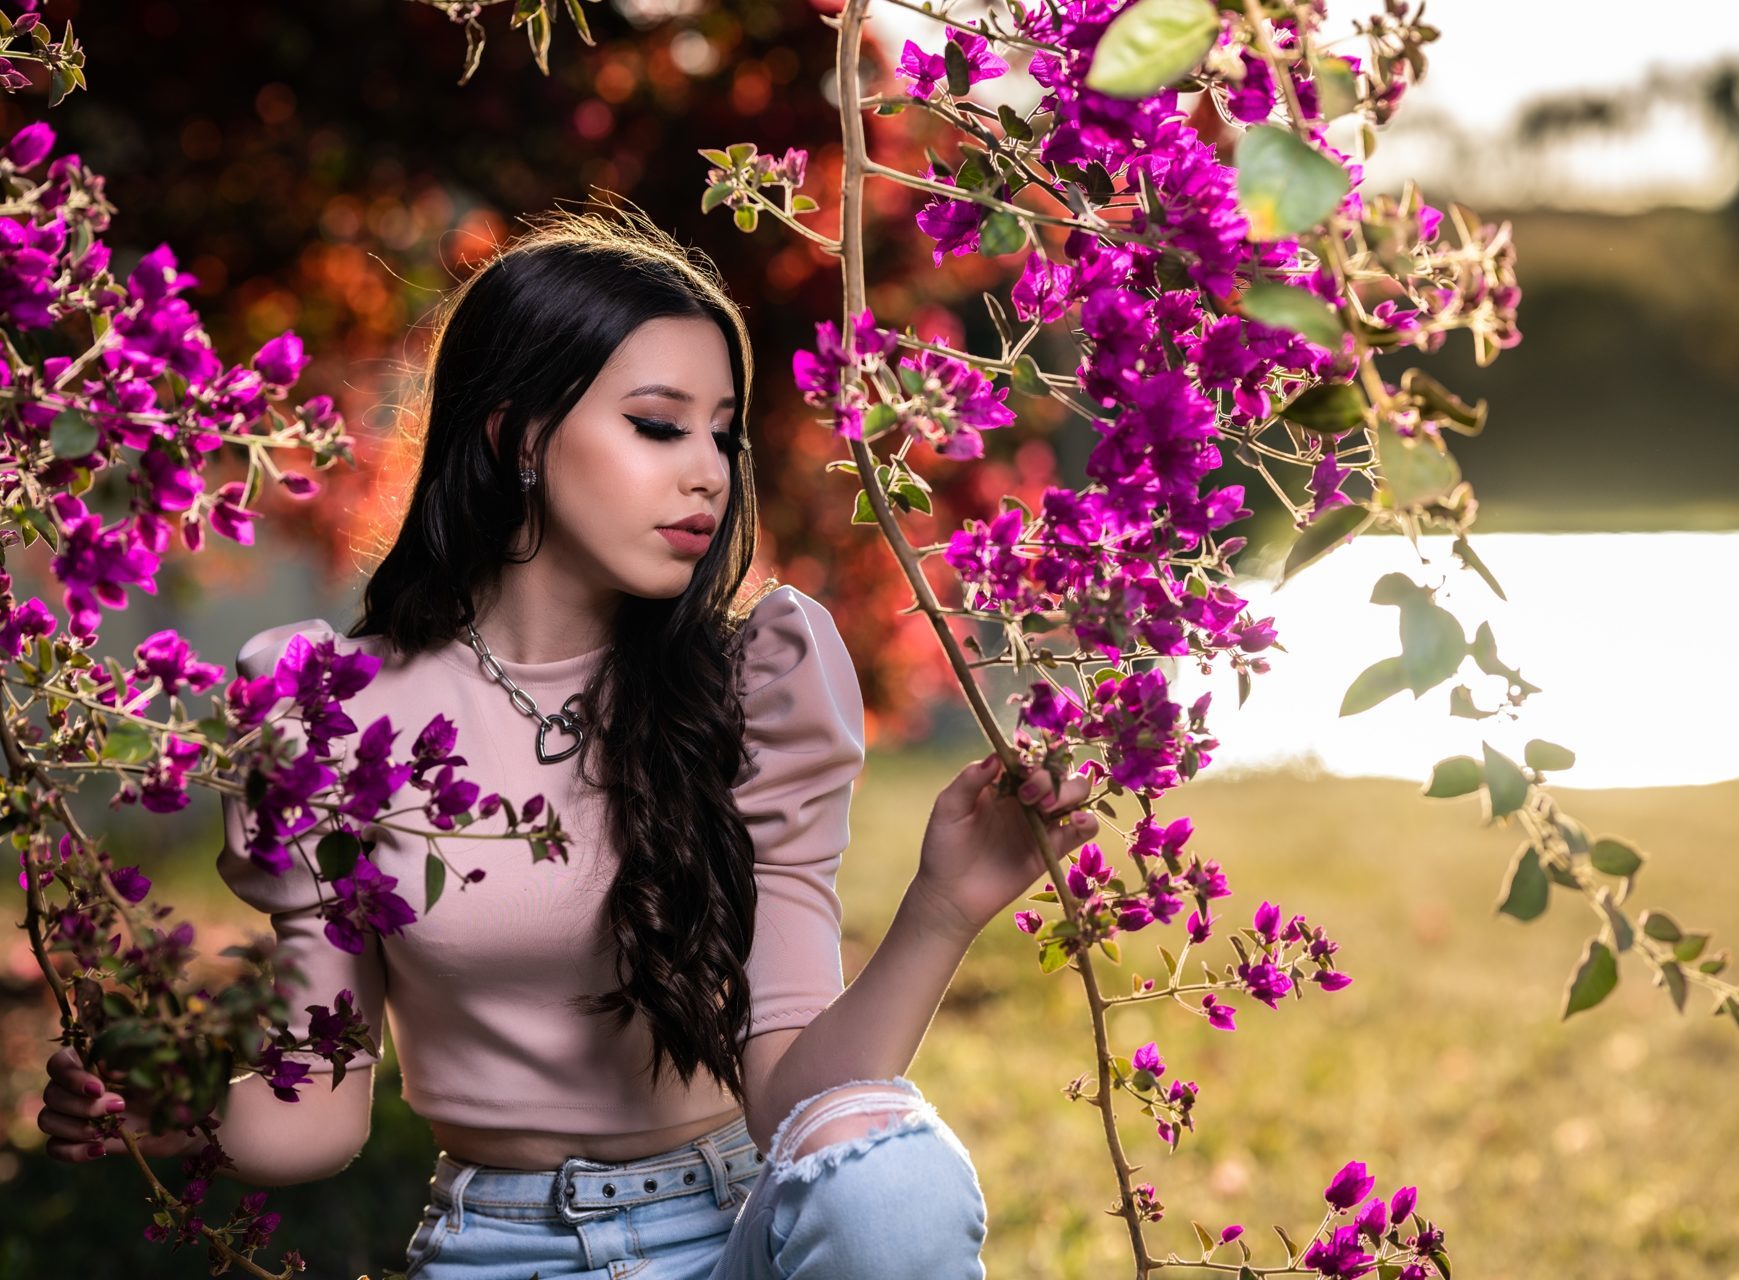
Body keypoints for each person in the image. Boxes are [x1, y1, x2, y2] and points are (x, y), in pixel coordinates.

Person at [37, 202, 1097, 1279]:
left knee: (893, 1175)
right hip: (496, 1249)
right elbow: (317, 1112)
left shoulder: (753, 684)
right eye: (657, 423)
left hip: (734, 1232)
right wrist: (159, 1111)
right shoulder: (328, 710)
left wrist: (943, 906)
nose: (709, 472)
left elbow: (798, 1103)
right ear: (519, 435)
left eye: (721, 432)